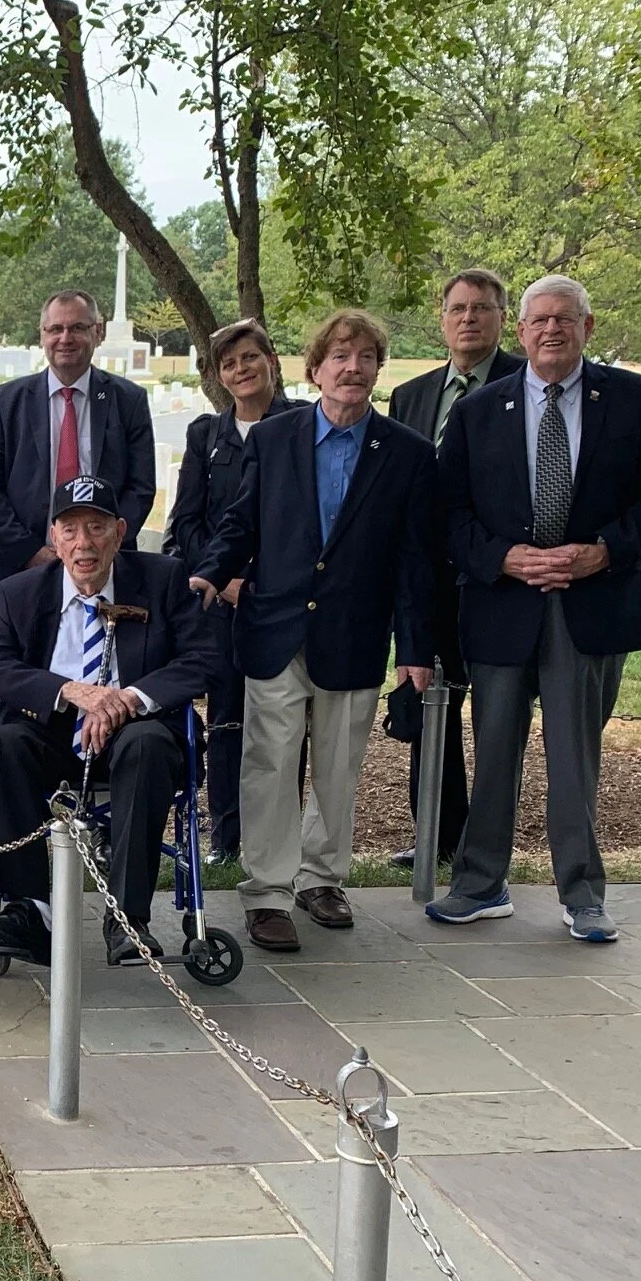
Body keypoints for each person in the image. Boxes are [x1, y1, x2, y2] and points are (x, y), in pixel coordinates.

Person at [428, 275, 641, 940]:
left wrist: (604, 552)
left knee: (575, 757)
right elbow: (448, 513)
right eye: (538, 320)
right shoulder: (482, 411)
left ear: (587, 328)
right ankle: (480, 883)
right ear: (521, 332)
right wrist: (503, 557)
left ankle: (583, 895)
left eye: (564, 320)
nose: (551, 331)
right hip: (502, 605)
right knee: (495, 750)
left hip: (589, 602)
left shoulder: (634, 400)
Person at [191, 310, 437, 953]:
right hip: (274, 628)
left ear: (379, 371)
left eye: (364, 358)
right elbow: (240, 524)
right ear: (314, 369)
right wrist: (210, 576)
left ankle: (321, 878)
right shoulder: (274, 440)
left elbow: (416, 559)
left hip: (354, 634)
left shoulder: (407, 454)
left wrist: (414, 649)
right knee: (268, 763)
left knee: (337, 766)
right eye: (339, 357)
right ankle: (268, 893)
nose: (352, 368)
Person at [0, 477, 216, 963]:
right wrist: (69, 691)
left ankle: (127, 918)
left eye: (97, 527)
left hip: (137, 732)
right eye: (71, 530)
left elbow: (205, 658)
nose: (85, 543)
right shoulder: (19, 592)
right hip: (53, 731)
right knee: (5, 745)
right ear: (54, 539)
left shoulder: (163, 579)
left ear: (120, 532)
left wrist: (128, 698)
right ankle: (30, 912)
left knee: (146, 745)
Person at [386, 268, 525, 869]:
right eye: (458, 309)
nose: (469, 318)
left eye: (482, 308)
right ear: (442, 320)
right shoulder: (411, 396)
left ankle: (484, 846)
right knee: (428, 708)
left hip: (499, 579)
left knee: (495, 717)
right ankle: (436, 839)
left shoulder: (530, 383)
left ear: (502, 318)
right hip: (428, 581)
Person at [161, 319, 305, 866]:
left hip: (282, 603)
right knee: (225, 720)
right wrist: (223, 580)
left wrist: (262, 584)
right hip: (220, 601)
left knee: (283, 724)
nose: (241, 370)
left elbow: (299, 525)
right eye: (229, 364)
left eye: (250, 358)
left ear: (271, 359)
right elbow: (188, 522)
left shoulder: (302, 424)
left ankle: (276, 836)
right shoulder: (206, 435)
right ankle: (226, 835)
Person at [0, 289, 155, 601]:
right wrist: (31, 551)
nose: (65, 338)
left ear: (97, 332)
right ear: (42, 335)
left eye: (77, 328)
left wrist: (101, 547)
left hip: (105, 568)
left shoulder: (129, 401)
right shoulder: (4, 403)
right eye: (55, 329)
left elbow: (140, 487)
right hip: (23, 568)